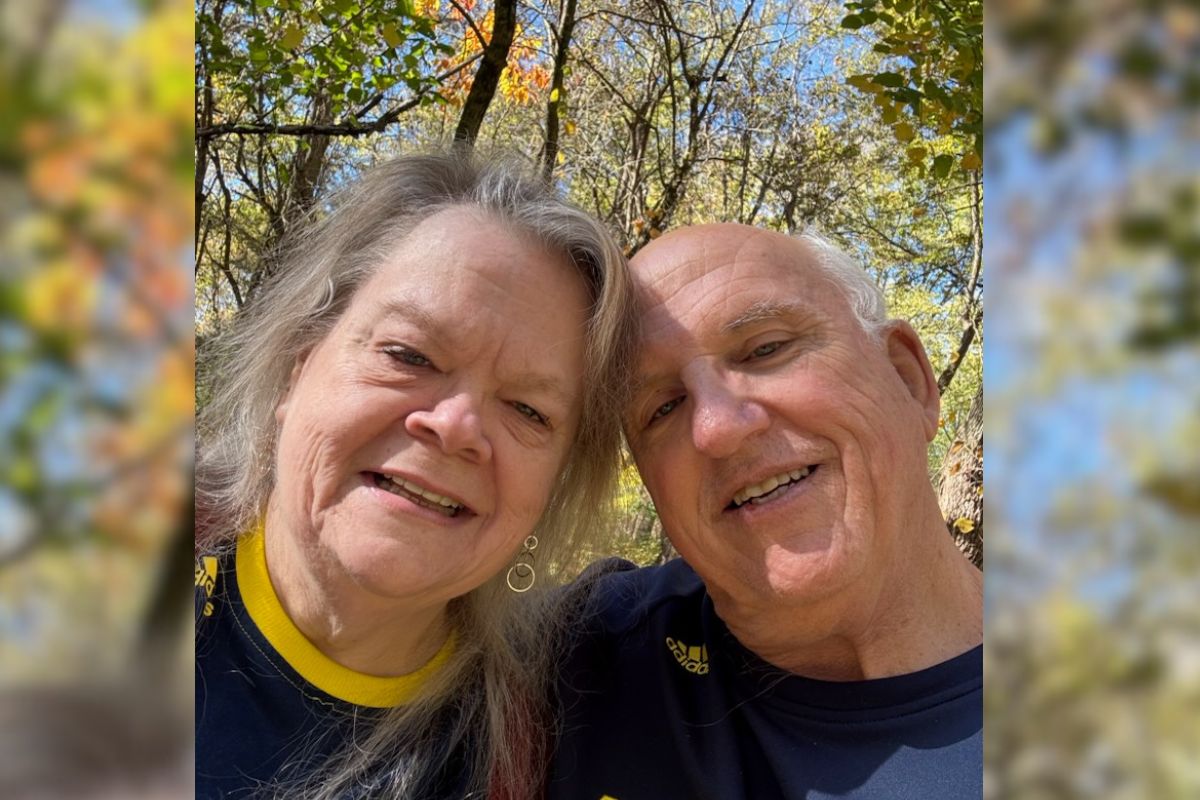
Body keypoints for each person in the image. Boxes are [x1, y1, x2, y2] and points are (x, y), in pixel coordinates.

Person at [195, 152, 636, 799]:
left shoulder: (534, 757)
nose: (456, 425)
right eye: (408, 354)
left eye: (527, 410)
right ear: (299, 364)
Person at [547, 224, 984, 799]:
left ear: (909, 380)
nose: (717, 428)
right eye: (662, 408)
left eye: (766, 349)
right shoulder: (572, 663)